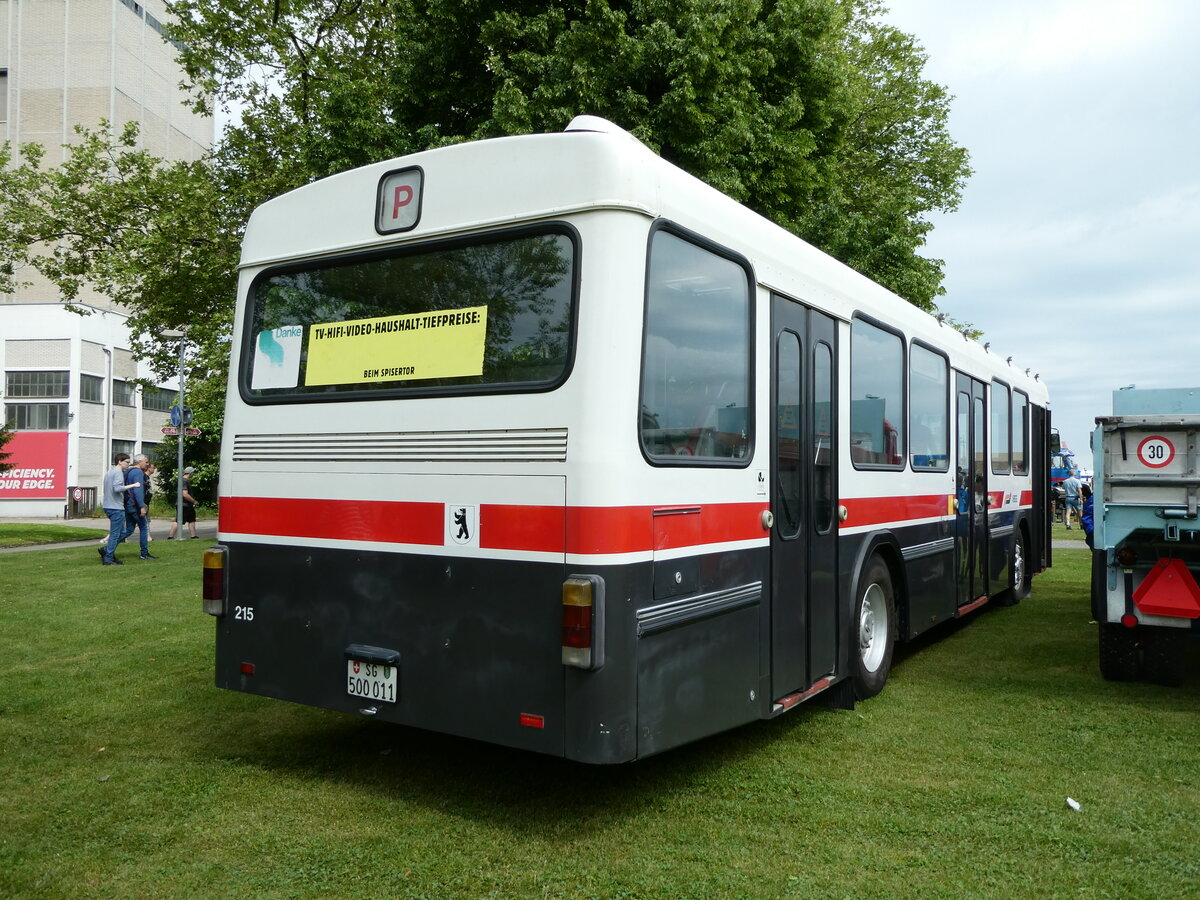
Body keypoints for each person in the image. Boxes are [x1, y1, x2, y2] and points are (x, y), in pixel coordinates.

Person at [99, 452, 135, 566]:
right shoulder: (118, 472)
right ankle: (108, 559)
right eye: (127, 462)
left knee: (123, 532)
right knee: (116, 534)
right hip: (115, 507)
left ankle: (106, 550)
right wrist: (133, 485)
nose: (128, 465)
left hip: (108, 506)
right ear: (120, 461)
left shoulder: (109, 472)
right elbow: (117, 488)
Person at [124, 454, 157, 560]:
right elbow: (138, 491)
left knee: (129, 529)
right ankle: (144, 553)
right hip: (135, 505)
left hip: (128, 504)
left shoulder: (128, 472)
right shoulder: (138, 472)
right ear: (139, 461)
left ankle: (107, 547)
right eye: (146, 462)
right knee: (143, 527)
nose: (147, 464)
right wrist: (142, 506)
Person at [167, 466, 199, 539]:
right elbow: (184, 494)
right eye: (193, 473)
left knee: (191, 519)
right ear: (190, 473)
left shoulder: (182, 480)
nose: (193, 474)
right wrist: (194, 501)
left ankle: (193, 536)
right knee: (179, 521)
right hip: (183, 504)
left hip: (187, 505)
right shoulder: (184, 481)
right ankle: (170, 536)